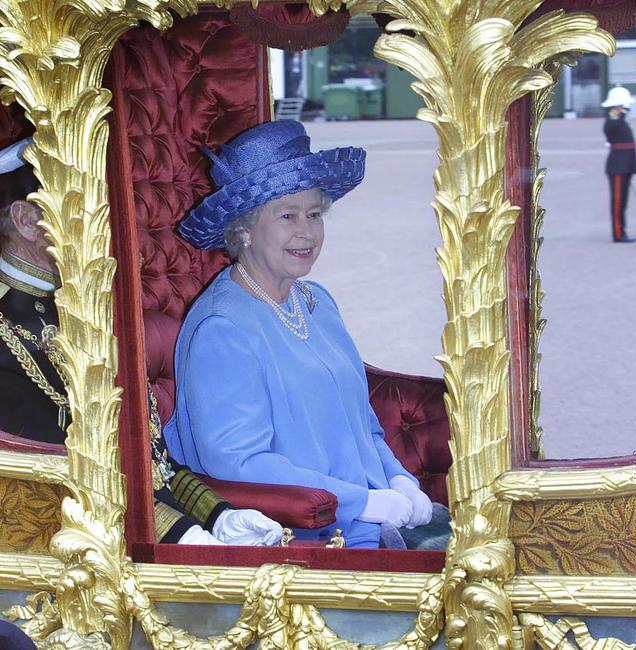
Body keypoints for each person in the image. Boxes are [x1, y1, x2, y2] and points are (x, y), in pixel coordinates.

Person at [164, 120, 451, 549]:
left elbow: (364, 426)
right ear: (243, 228)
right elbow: (239, 463)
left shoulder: (316, 302)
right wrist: (363, 502)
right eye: (287, 216)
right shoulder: (221, 329)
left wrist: (399, 480)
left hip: (376, 515)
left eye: (315, 214)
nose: (307, 232)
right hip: (307, 536)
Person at [0, 138, 283, 547]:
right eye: (78, 210)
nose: (100, 226)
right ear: (26, 221)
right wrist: (180, 532)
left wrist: (218, 514)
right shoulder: (9, 333)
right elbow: (67, 473)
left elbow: (152, 459)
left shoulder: (91, 310)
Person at [602, 86, 636, 243]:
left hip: (625, 166)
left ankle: (622, 230)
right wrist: (617, 112)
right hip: (618, 166)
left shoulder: (621, 120)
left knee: (622, 202)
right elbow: (610, 127)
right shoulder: (613, 121)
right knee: (617, 203)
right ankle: (618, 233)